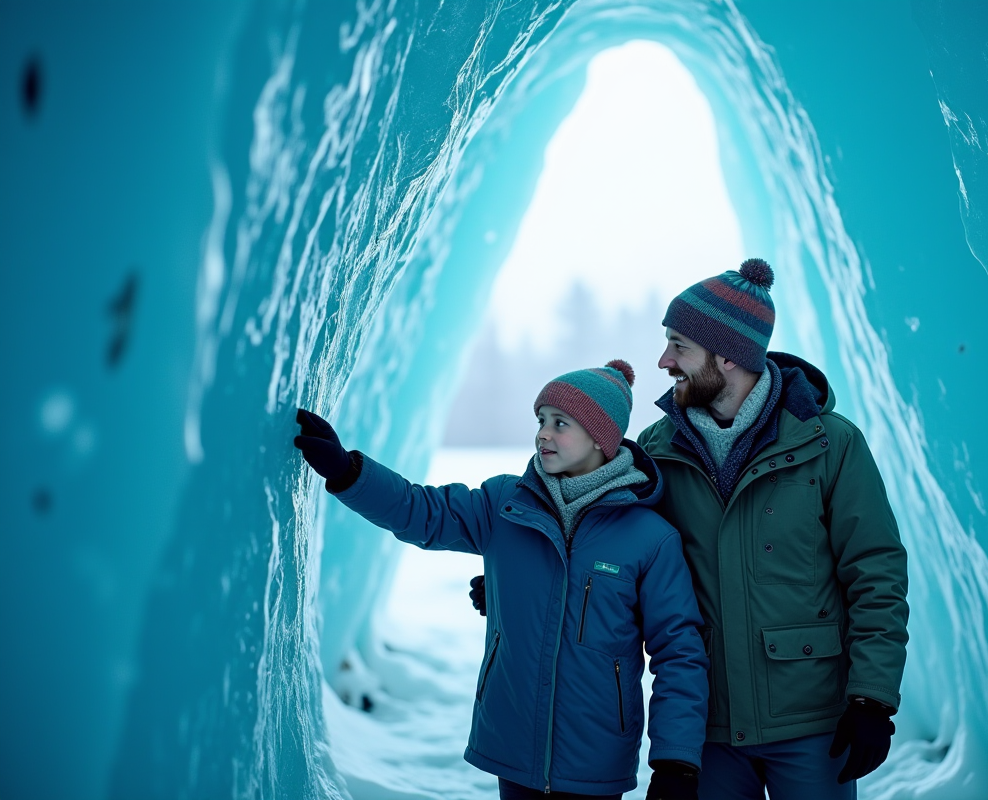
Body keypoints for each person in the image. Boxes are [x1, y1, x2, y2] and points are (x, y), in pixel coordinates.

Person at [474, 260, 909, 798]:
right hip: (709, 732)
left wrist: (871, 699)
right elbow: (612, 543)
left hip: (814, 724)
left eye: (678, 345)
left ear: (727, 355)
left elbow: (876, 574)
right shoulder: (656, 451)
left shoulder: (830, 444)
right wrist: (533, 581)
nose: (664, 361)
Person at [294, 359, 710, 800]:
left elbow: (679, 648)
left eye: (560, 423)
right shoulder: (505, 504)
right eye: (541, 420)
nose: (543, 434)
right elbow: (424, 513)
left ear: (600, 438)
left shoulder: (648, 536)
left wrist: (675, 761)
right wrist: (348, 473)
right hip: (512, 742)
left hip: (597, 756)